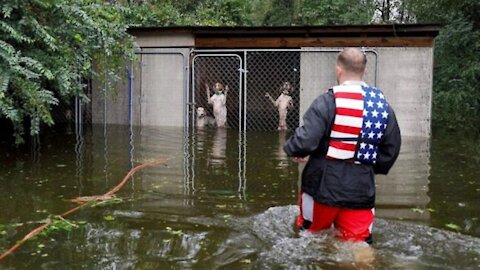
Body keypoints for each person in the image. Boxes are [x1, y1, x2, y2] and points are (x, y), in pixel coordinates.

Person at [283, 48, 401, 244]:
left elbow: (306, 140)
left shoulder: (327, 101)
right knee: (358, 244)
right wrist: (368, 166)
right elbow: (391, 148)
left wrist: (294, 150)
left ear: (338, 70)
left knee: (311, 238)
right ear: (365, 70)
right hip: (361, 187)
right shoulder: (382, 106)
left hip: (323, 186)